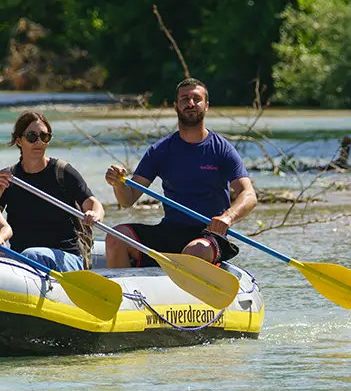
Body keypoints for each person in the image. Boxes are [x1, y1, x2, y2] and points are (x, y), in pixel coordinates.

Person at [104, 78, 257, 268]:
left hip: (208, 235)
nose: (191, 103)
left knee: (195, 251)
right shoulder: (160, 151)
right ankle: (126, 294)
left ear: (206, 106)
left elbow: (249, 195)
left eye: (196, 99)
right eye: (185, 99)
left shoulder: (222, 150)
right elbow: (127, 200)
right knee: (115, 237)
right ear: (176, 106)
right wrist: (118, 184)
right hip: (170, 231)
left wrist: (227, 217)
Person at [0, 110, 103, 272]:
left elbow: (93, 203)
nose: (39, 142)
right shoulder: (8, 178)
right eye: (32, 137)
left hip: (66, 257)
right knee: (25, 256)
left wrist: (94, 214)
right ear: (19, 141)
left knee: (32, 255)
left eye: (44, 137)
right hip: (22, 258)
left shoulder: (63, 172)